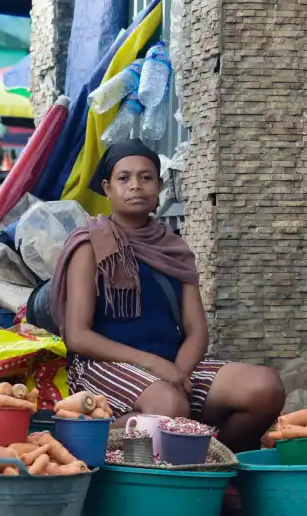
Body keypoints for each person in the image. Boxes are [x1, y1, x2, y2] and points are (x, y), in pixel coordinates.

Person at [51, 139, 284, 452]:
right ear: (107, 188)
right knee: (169, 407)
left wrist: (179, 373)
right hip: (102, 364)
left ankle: (214, 461)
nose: (136, 186)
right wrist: (155, 367)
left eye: (146, 178)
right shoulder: (89, 245)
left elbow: (197, 331)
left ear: (159, 186)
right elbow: (78, 336)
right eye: (124, 178)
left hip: (172, 364)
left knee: (264, 388)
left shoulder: (174, 247)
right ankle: (81, 436)